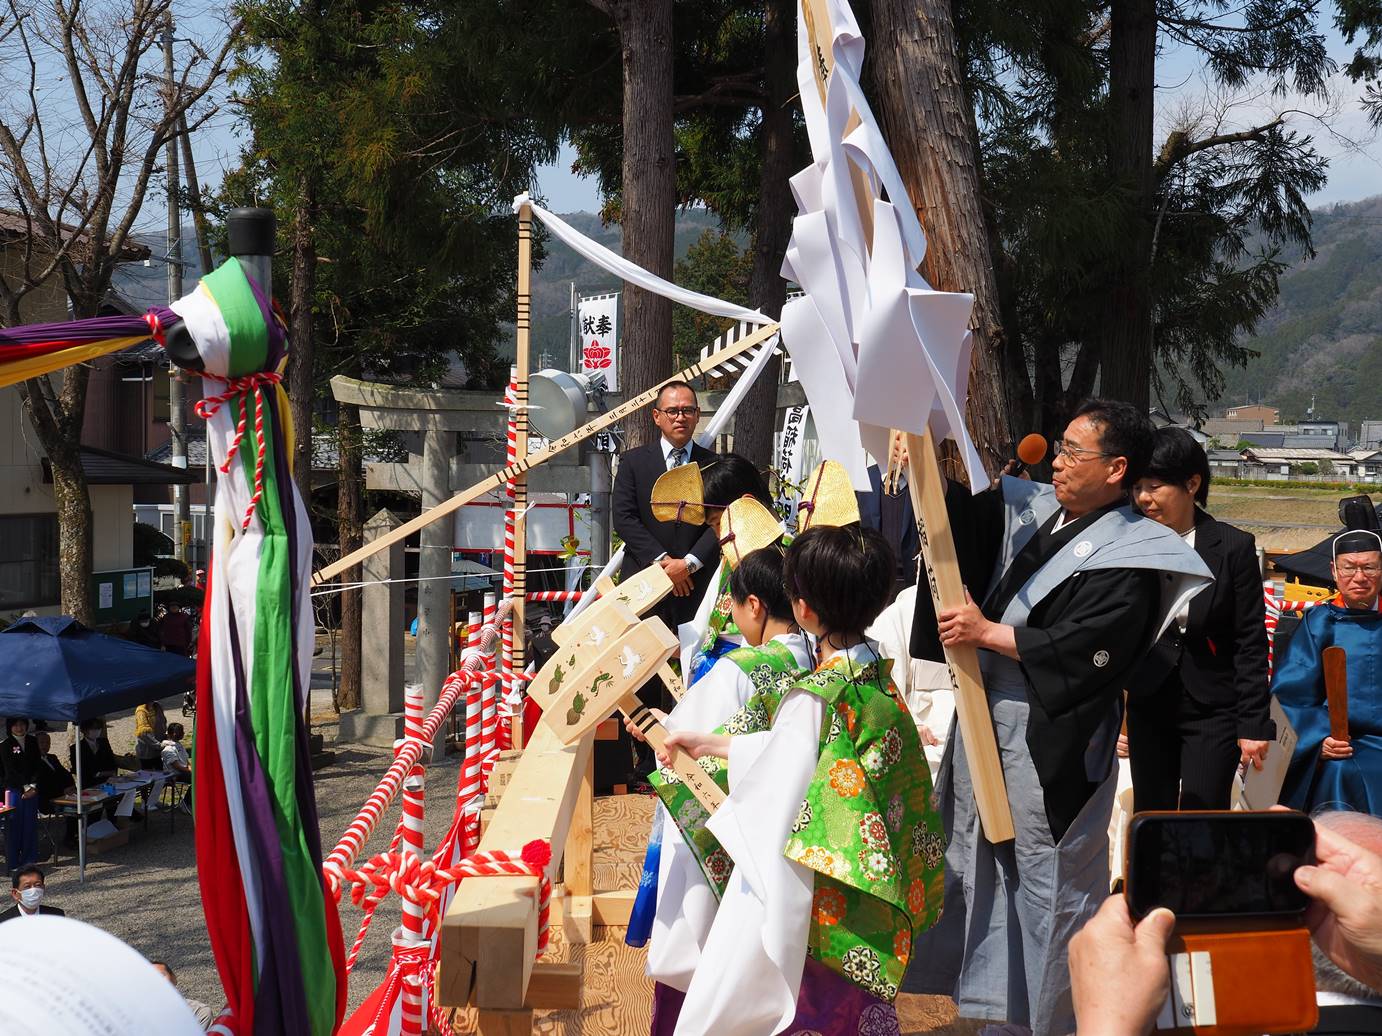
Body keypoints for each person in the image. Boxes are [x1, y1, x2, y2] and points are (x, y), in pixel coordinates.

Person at [905, 398, 1212, 1036]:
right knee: (974, 854)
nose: (1061, 464)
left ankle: (1056, 1020)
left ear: (1117, 468)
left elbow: (1088, 648)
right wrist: (923, 456)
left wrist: (989, 634)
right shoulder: (1044, 514)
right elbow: (965, 525)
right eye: (1062, 448)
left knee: (1044, 878)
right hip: (987, 710)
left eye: (1076, 453)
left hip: (1050, 733)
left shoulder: (1135, 551)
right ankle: (999, 1010)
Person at [655, 523, 946, 1035]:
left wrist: (710, 772)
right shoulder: (875, 678)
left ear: (804, 609)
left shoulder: (817, 694)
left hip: (819, 893)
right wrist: (718, 744)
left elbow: (783, 795)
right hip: (863, 882)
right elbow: (811, 757)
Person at [633, 540, 814, 1012]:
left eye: (732, 607)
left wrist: (656, 727)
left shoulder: (740, 668)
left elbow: (686, 747)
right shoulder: (810, 658)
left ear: (754, 605)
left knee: (715, 965)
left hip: (728, 832)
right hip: (789, 826)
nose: (731, 619)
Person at [1125, 426, 1273, 810]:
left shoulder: (1232, 547)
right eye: (1137, 486)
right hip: (1148, 703)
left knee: (1203, 816)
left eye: (1155, 486)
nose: (1143, 498)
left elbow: (1250, 641)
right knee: (1150, 814)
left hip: (1212, 708)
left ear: (1192, 484)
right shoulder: (1126, 543)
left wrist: (1253, 725)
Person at [611, 381, 720, 671]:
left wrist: (689, 564)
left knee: (695, 670)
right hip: (645, 583)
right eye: (672, 411)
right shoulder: (633, 463)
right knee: (639, 669)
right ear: (657, 416)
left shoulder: (714, 465)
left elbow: (722, 521)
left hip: (697, 584)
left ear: (697, 415)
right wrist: (664, 564)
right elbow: (624, 517)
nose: (680, 417)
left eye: (687, 410)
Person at [1277, 529, 1382, 814]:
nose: (1359, 578)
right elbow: (1291, 695)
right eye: (1349, 568)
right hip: (1344, 743)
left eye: (1369, 567)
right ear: (1334, 571)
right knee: (1339, 772)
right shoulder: (1320, 623)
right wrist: (1319, 741)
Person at [857, 432, 918, 596]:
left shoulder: (926, 482)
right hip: (874, 586)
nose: (897, 444)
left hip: (915, 587)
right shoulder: (863, 481)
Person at [2, 717, 41, 875]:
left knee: (30, 825)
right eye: (16, 725)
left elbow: (37, 765)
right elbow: (9, 770)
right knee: (14, 826)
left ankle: (29, 860)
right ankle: (13, 862)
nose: (19, 727)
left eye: (22, 724)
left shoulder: (32, 741)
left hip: (32, 789)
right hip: (15, 790)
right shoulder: (5, 746)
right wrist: (25, 786)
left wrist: (33, 785)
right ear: (10, 727)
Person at [33, 731, 77, 847]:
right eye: (41, 742)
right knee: (73, 808)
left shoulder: (52, 757)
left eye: (48, 742)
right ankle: (69, 838)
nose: (45, 745)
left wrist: (70, 786)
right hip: (46, 799)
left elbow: (65, 774)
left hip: (62, 794)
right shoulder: (32, 762)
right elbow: (41, 784)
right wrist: (62, 790)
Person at [152, 960, 216, 1029]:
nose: (157, 981)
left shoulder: (198, 1013)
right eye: (150, 979)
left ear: (174, 978)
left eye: (161, 975)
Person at [0, 865, 64, 921]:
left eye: (38, 885)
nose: (33, 890)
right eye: (27, 886)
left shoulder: (56, 916)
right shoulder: (4, 921)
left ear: (43, 888)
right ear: (15, 893)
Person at [134, 699, 168, 771]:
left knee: (160, 774)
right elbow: (144, 733)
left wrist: (165, 737)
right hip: (146, 752)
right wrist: (159, 745)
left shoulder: (157, 706)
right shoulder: (141, 711)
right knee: (148, 775)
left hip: (158, 750)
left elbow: (163, 723)